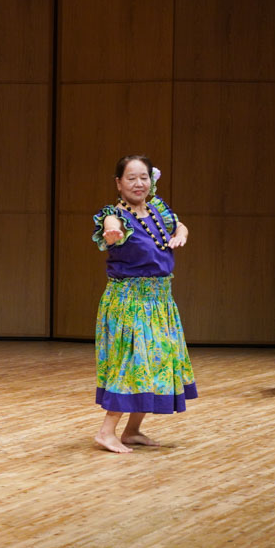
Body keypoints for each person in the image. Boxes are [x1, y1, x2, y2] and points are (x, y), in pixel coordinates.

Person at [92, 155, 197, 454]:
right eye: (131, 178)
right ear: (118, 183)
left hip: (161, 302)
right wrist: (113, 233)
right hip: (130, 302)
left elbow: (183, 226)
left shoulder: (158, 211)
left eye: (144, 178)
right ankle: (106, 431)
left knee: (158, 364)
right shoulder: (113, 215)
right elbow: (110, 225)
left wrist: (180, 235)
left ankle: (132, 430)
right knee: (134, 365)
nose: (139, 184)